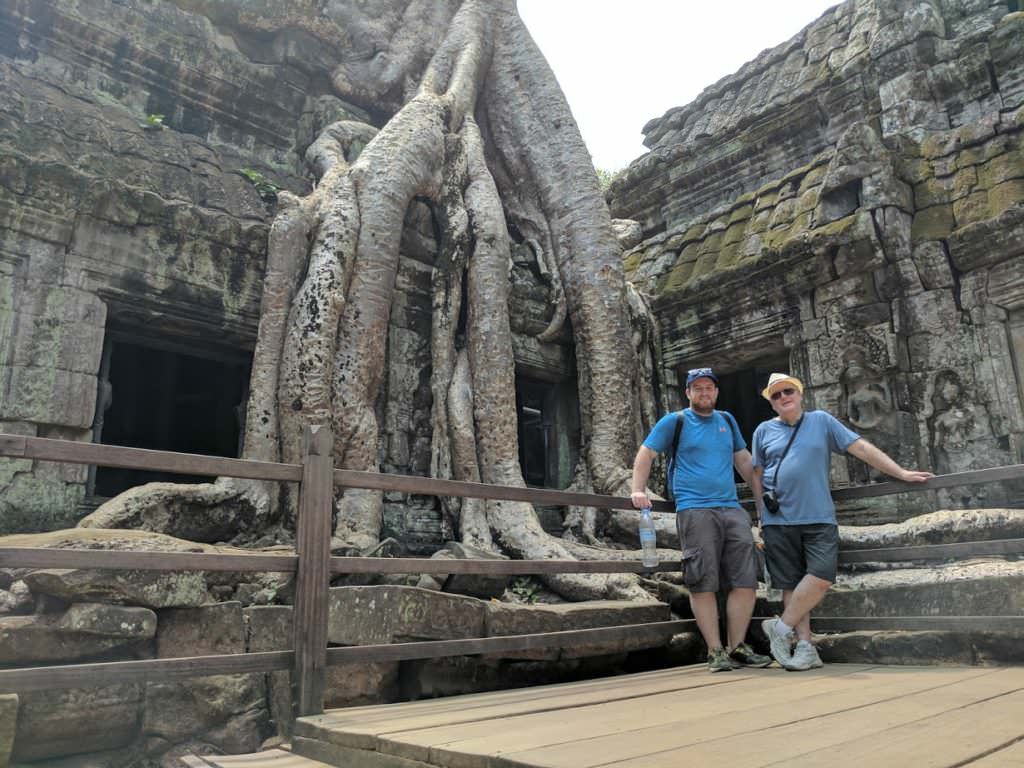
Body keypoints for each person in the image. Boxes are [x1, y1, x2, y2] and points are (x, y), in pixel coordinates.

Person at [752, 372, 934, 671]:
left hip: (818, 515)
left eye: (788, 392)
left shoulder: (821, 421)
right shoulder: (763, 431)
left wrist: (899, 472)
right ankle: (806, 646)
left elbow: (860, 447)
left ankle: (780, 628)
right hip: (778, 520)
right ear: (771, 403)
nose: (783, 397)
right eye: (776, 395)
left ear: (799, 394)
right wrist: (761, 512)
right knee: (790, 583)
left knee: (821, 576)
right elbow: (758, 474)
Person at [631, 367, 772, 673]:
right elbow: (646, 453)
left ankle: (738, 647)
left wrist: (762, 501)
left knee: (745, 580)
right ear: (688, 393)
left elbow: (744, 461)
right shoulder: (675, 421)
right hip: (694, 509)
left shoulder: (726, 420)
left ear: (716, 392)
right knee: (702, 580)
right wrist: (637, 490)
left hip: (731, 508)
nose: (704, 393)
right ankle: (715, 650)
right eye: (698, 388)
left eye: (709, 388)